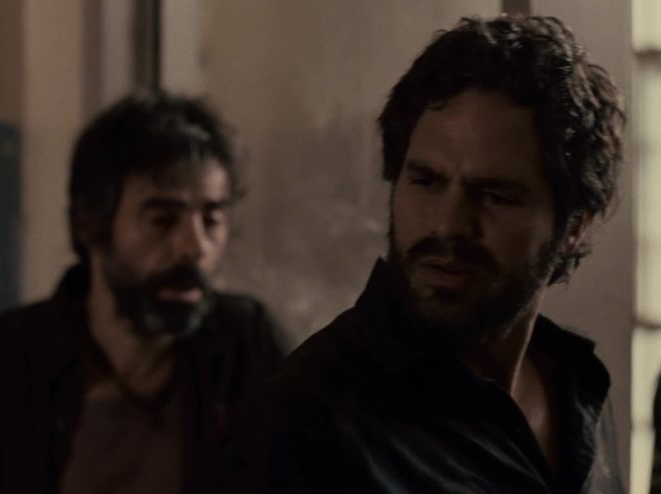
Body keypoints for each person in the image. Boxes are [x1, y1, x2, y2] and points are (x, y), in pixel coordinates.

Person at [220, 14, 625, 493]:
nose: (447, 225)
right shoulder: (309, 423)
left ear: (573, 227)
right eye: (426, 182)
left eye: (494, 195)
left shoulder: (576, 386)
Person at [0, 92, 287, 494]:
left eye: (211, 220)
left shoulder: (245, 347)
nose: (194, 246)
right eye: (162, 219)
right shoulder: (5, 363)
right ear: (89, 225)